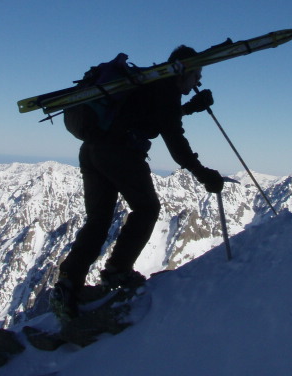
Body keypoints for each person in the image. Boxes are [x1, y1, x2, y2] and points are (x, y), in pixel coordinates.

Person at [50, 45, 224, 319]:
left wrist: (189, 108)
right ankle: (117, 272)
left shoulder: (152, 82)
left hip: (92, 150)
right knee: (147, 209)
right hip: (120, 152)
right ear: (186, 70)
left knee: (98, 219)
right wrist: (204, 174)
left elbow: (148, 117)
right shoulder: (165, 88)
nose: (198, 81)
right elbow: (174, 140)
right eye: (198, 73)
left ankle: (68, 285)